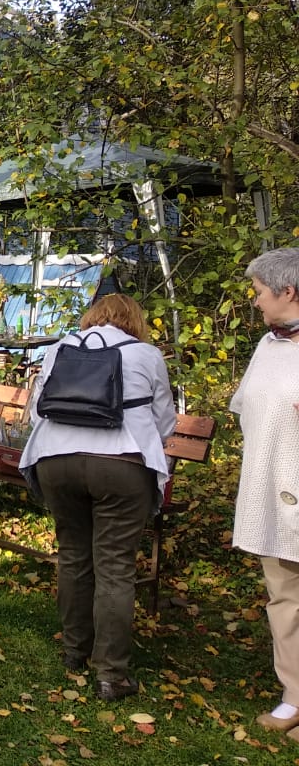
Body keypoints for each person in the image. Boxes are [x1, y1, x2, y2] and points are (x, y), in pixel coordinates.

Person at [19, 293, 176, 701]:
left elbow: (38, 412)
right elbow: (164, 423)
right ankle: (111, 674)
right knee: (115, 567)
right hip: (121, 465)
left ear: (93, 317)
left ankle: (75, 651)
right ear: (134, 321)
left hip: (57, 459)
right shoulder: (146, 354)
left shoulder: (61, 348)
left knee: (73, 555)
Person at [230, 248, 299, 732]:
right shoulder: (269, 346)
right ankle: (295, 694)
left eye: (258, 293)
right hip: (271, 489)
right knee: (285, 595)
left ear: (287, 291)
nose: (255, 302)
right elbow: (249, 410)